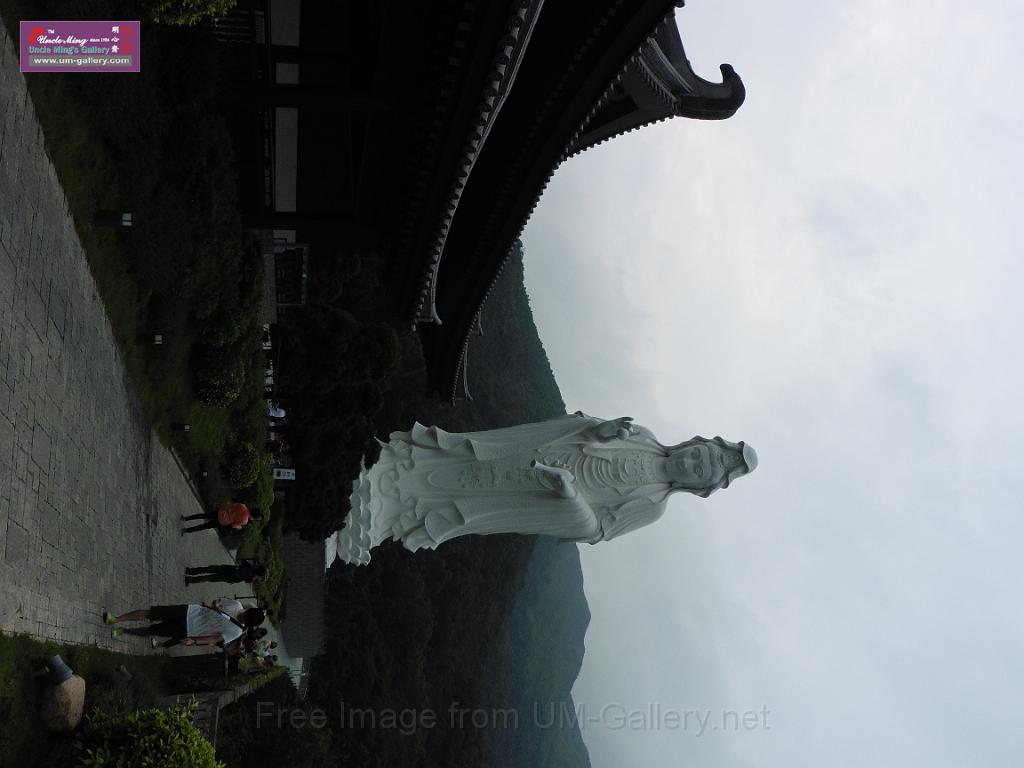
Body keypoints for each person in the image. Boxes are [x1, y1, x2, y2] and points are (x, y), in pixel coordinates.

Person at [331, 412, 757, 565]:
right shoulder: (642, 434)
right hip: (534, 452)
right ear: (695, 442)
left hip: (536, 491)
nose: (693, 462)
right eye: (701, 453)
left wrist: (569, 493)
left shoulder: (651, 506)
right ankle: (387, 470)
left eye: (701, 471)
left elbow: (594, 530)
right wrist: (597, 428)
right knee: (463, 462)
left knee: (457, 498)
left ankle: (386, 514)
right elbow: (584, 428)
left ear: (700, 488)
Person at [102, 603, 263, 649]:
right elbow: (217, 603)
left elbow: (214, 638)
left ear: (248, 622)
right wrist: (215, 605)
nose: (242, 615)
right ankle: (116, 619)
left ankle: (124, 631)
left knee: (153, 630)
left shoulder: (237, 631)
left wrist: (194, 641)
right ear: (249, 610)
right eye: (245, 613)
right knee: (152, 613)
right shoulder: (236, 604)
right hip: (189, 611)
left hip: (189, 630)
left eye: (245, 618)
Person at [181, 502, 259, 535]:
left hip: (221, 512)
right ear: (253, 517)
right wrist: (239, 527)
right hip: (222, 522)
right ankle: (186, 530)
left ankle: (185, 518)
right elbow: (234, 525)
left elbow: (230, 505)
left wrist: (222, 508)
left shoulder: (243, 506)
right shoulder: (245, 520)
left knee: (203, 515)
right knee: (203, 527)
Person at [185, 559, 266, 585]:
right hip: (228, 578)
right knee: (208, 578)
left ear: (258, 567)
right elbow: (246, 581)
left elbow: (241, 561)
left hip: (227, 568)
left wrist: (252, 564)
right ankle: (190, 580)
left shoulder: (249, 565)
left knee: (208, 569)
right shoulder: (251, 579)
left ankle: (190, 571)